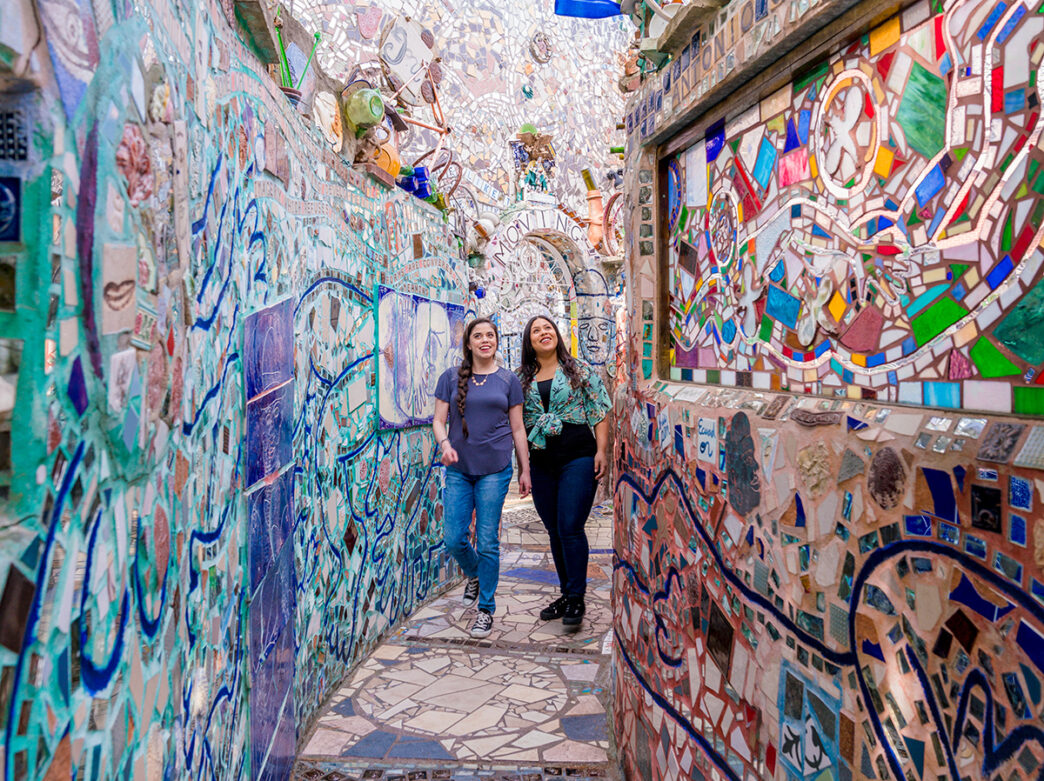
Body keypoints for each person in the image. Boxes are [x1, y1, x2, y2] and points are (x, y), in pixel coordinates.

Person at [433, 318, 531, 638]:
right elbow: (438, 421)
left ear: (496, 341)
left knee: (487, 540)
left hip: (495, 469)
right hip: (459, 469)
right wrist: (445, 445)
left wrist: (525, 469)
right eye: (478, 336)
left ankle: (485, 609)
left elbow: (518, 428)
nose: (485, 340)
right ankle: (475, 574)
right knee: (454, 539)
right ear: (469, 343)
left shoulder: (508, 380)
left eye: (490, 335)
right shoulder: (450, 377)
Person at [517, 315, 611, 629]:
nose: (543, 333)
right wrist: (522, 467)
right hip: (541, 462)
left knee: (570, 525)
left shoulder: (578, 370)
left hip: (578, 456)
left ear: (556, 334)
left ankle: (577, 598)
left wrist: (602, 450)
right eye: (536, 330)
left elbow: (599, 410)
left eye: (547, 328)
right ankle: (566, 593)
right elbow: (516, 425)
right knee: (554, 529)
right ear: (529, 342)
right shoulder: (521, 379)